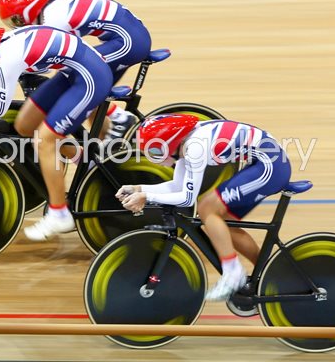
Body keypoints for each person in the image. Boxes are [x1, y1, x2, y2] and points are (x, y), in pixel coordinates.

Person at [0, 26, 113, 241]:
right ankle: (82, 159)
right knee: (25, 125)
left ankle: (59, 213)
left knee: (44, 139)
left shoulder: (9, 59)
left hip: (91, 78)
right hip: (73, 73)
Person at [117, 115, 292, 301]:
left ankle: (233, 274)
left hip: (270, 167)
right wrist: (139, 189)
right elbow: (177, 186)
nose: (153, 158)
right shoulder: (183, 142)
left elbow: (187, 199)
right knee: (223, 224)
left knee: (207, 209)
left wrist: (147, 197)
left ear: (169, 143)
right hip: (263, 162)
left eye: (154, 150)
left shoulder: (194, 148)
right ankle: (270, 273)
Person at [0, 0, 151, 141]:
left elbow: (52, 58)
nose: (16, 27)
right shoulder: (49, 9)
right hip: (127, 37)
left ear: (30, 10)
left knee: (82, 74)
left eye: (16, 20)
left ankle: (119, 117)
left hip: (129, 43)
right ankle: (106, 154)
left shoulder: (54, 18)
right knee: (90, 105)